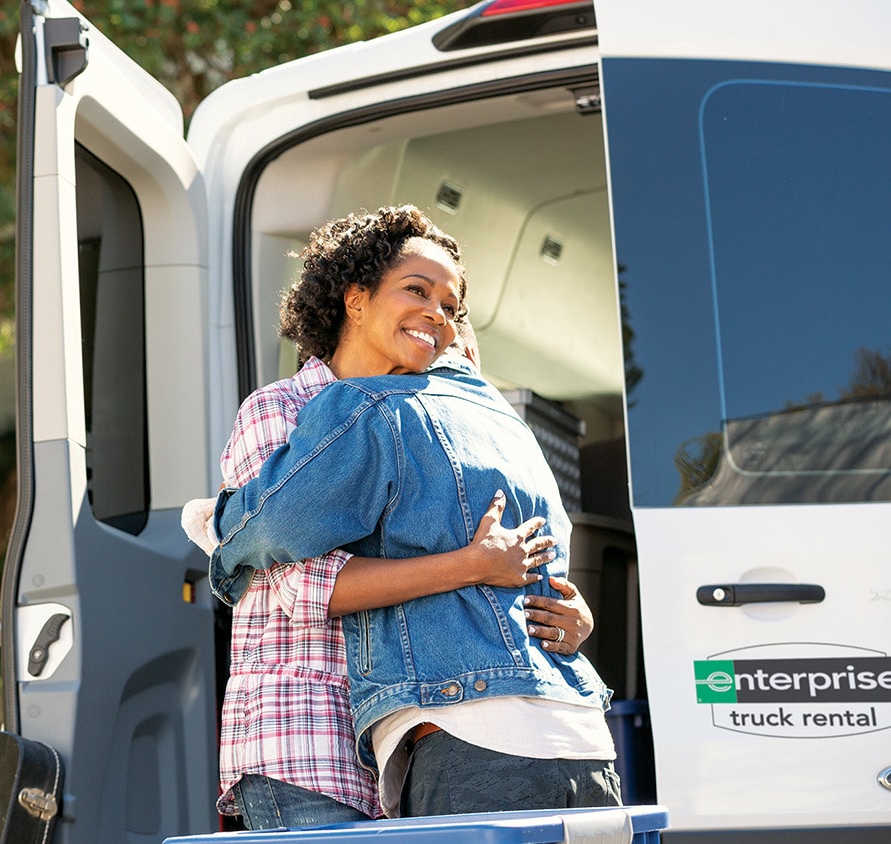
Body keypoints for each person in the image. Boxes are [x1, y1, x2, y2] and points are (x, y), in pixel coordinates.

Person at [184, 206, 600, 828]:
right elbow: (305, 587)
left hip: (416, 734)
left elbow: (503, 563)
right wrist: (471, 566)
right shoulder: (280, 411)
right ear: (354, 300)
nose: (439, 313)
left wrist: (566, 614)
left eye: (451, 305)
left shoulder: (430, 425)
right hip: (308, 740)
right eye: (417, 290)